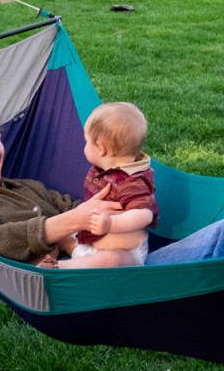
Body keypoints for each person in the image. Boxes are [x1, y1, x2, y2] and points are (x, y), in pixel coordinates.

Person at [0, 105, 123, 265]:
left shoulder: (27, 187)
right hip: (55, 281)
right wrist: (71, 222)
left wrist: (116, 202)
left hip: (101, 254)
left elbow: (71, 206)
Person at [50, 102, 158, 269]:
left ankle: (60, 268)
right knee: (59, 235)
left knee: (109, 260)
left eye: (86, 141)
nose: (84, 145)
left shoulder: (133, 179)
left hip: (124, 253)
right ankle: (48, 259)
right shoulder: (102, 170)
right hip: (89, 244)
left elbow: (144, 215)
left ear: (101, 148)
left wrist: (110, 224)